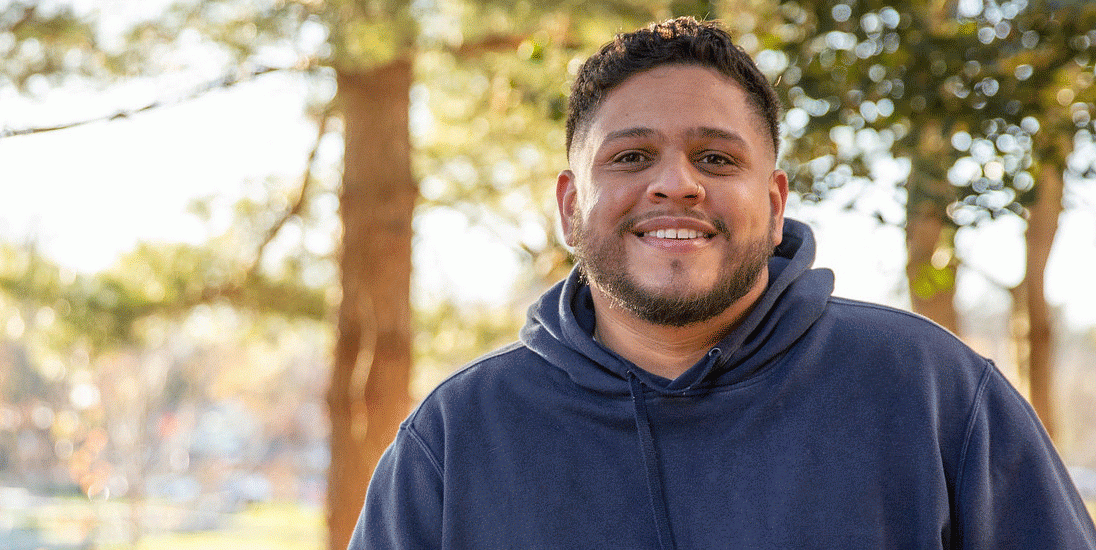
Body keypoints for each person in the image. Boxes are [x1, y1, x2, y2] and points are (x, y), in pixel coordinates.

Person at [349, 16, 1096, 549]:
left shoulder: (933, 392)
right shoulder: (455, 437)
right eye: (631, 157)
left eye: (715, 159)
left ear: (774, 206)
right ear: (572, 207)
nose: (676, 185)